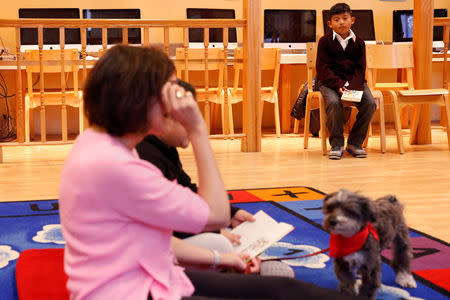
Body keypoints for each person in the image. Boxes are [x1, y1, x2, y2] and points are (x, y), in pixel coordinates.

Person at [59, 45, 366, 300]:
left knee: (282, 288)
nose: (175, 101)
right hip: (137, 291)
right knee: (280, 290)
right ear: (140, 100)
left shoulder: (96, 145)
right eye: (169, 92)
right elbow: (215, 214)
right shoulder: (118, 167)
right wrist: (196, 129)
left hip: (150, 277)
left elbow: (146, 240)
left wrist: (221, 259)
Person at [136, 80, 294, 277]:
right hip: (151, 253)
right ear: (166, 118)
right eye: (190, 117)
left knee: (220, 241)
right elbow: (163, 225)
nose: (195, 123)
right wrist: (214, 231)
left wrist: (231, 214)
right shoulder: (145, 156)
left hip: (165, 240)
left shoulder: (164, 149)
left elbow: (188, 191)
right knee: (219, 243)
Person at [316, 3, 377, 160]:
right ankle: (336, 145)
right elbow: (323, 70)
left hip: (353, 82)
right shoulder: (324, 42)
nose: (341, 22)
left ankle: (354, 143)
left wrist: (351, 88)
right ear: (330, 24)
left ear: (352, 20)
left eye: (345, 18)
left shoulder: (360, 43)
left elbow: (360, 69)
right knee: (335, 103)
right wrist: (339, 86)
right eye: (336, 19)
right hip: (330, 83)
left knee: (370, 103)